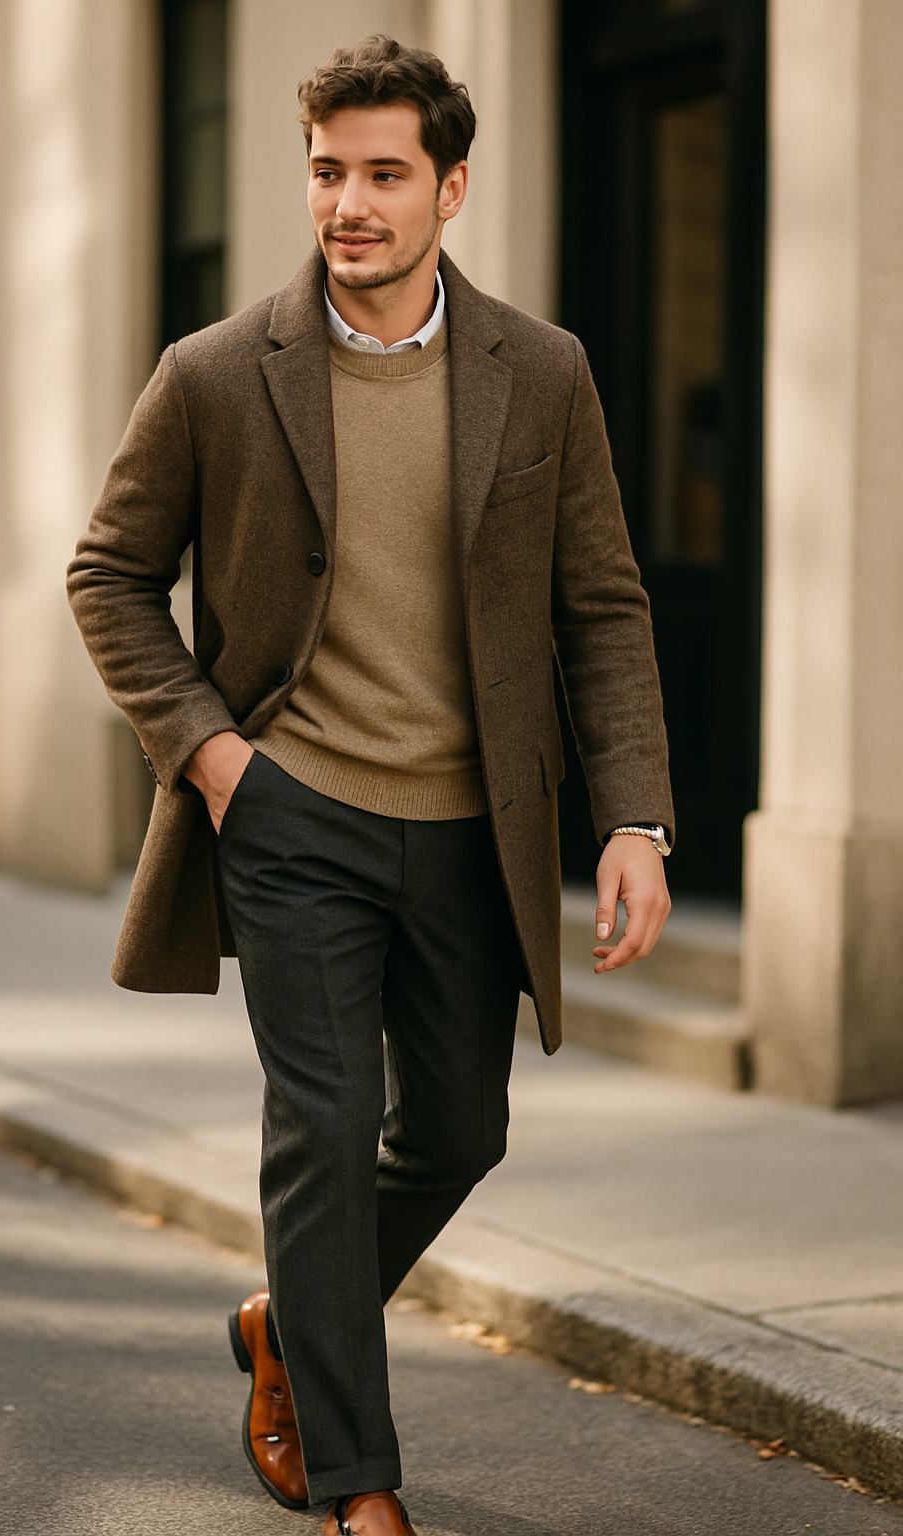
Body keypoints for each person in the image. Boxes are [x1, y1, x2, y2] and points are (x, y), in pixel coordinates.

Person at [67, 35, 673, 1536]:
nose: (349, 202)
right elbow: (111, 576)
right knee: (322, 1131)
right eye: (330, 171)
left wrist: (636, 818)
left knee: (459, 1130)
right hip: (296, 820)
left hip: (475, 829)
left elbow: (600, 604)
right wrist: (215, 760)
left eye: (385, 174)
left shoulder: (543, 373)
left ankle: (290, 1321)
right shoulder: (215, 374)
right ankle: (359, 1485)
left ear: (450, 188)